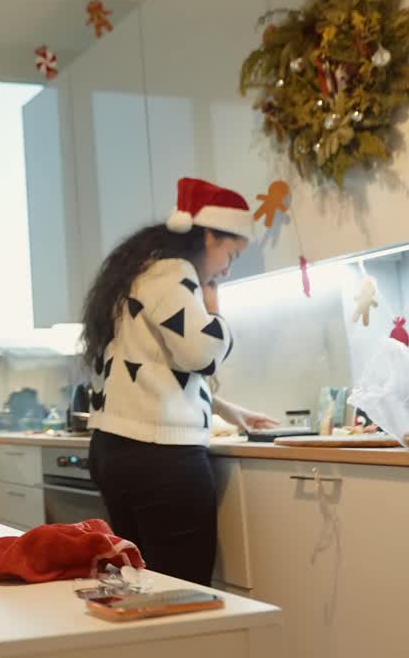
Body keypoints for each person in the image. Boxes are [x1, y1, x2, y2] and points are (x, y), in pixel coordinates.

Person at [82, 178, 277, 587]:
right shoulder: (173, 273)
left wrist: (229, 410)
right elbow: (199, 353)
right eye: (230, 253)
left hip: (118, 449)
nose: (227, 267)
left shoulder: (142, 270)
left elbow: (154, 363)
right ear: (208, 236)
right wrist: (216, 308)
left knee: (144, 586)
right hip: (159, 459)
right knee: (181, 591)